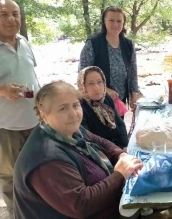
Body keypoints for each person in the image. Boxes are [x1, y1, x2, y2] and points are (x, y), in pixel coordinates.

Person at [13, 81, 143, 219]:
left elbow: (103, 143)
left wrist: (122, 155)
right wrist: (119, 175)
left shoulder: (69, 130)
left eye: (75, 105)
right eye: (63, 108)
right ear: (44, 115)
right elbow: (81, 205)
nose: (73, 114)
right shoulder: (46, 159)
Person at [0, 0, 40, 217]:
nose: (11, 19)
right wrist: (2, 89)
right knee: (9, 176)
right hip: (6, 127)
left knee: (36, 169)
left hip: (33, 121)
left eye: (15, 14)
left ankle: (36, 210)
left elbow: (32, 75)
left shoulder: (24, 41)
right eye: (3, 14)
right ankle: (17, 214)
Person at [79, 6, 139, 112]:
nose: (115, 24)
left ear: (123, 23)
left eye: (119, 21)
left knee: (119, 127)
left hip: (120, 100)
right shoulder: (93, 43)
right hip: (98, 100)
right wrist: (105, 90)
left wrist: (134, 94)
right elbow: (82, 73)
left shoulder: (128, 45)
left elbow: (133, 72)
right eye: (111, 20)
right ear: (104, 22)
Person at [78, 66, 129, 149]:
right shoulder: (80, 107)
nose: (97, 88)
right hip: (100, 153)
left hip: (117, 148)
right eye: (90, 83)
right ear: (82, 86)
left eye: (99, 82)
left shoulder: (106, 98)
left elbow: (119, 123)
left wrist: (125, 146)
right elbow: (88, 139)